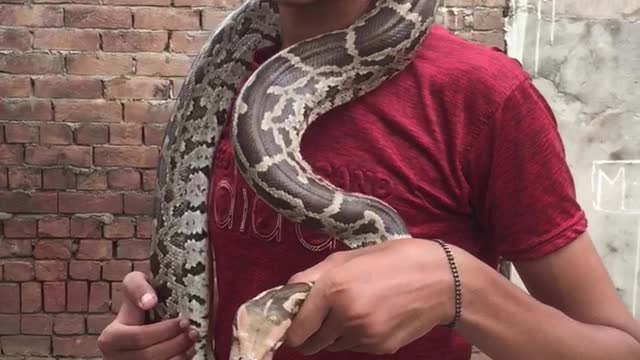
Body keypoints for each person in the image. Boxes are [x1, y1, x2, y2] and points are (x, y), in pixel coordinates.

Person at [97, 1, 640, 359]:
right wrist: (156, 338)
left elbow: (618, 348)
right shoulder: (225, 90)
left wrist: (462, 290)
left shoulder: (483, 97)